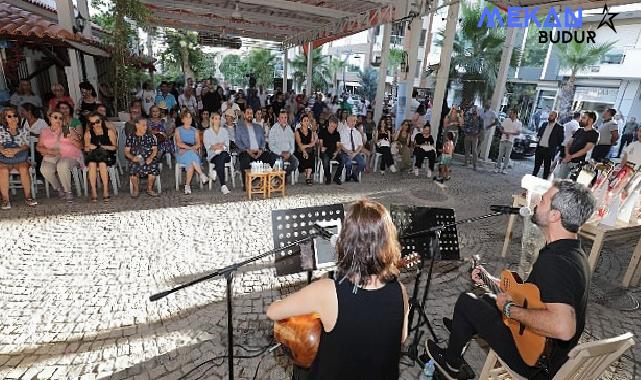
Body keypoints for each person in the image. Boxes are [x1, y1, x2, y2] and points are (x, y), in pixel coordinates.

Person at [427, 180, 596, 380]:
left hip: (535, 363)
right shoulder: (572, 251)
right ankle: (462, 330)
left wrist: (509, 309)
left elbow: (564, 328)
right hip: (549, 352)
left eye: (542, 200)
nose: (536, 202)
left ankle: (451, 365)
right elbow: (535, 296)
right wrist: (491, 281)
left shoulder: (556, 263)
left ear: (554, 215)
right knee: (487, 300)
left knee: (467, 301)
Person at [266, 199, 409, 380]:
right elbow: (401, 338)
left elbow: (273, 312)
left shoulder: (328, 292)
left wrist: (281, 302)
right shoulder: (400, 291)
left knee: (302, 367)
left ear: (346, 241)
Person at [37, 110, 83, 202]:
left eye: (60, 118)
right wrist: (47, 150)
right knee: (45, 169)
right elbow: (38, 146)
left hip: (70, 155)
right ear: (50, 118)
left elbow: (80, 146)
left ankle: (68, 191)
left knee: (62, 165)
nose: (58, 119)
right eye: (55, 117)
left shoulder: (66, 129)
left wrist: (73, 140)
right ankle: (59, 189)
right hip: (52, 156)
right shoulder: (45, 131)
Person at [0, 107, 37, 209]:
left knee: (24, 169)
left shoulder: (23, 130)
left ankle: (28, 197)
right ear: (4, 118)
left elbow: (26, 145)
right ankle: (5, 200)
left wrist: (16, 150)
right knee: (2, 170)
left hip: (20, 157)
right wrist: (3, 150)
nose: (13, 118)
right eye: (9, 116)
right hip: (4, 158)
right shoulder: (1, 130)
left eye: (15, 115)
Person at [236, 107, 274, 190]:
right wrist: (247, 150)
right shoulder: (240, 127)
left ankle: (268, 182)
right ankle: (246, 184)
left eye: (251, 113)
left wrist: (261, 149)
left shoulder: (258, 127)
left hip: (258, 150)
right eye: (248, 113)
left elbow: (263, 141)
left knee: (269, 157)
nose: (250, 115)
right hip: (246, 151)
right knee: (245, 160)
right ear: (244, 115)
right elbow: (238, 142)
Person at [83, 113, 117, 202]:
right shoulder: (88, 133)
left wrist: (104, 147)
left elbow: (114, 147)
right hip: (93, 155)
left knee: (102, 164)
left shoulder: (109, 131)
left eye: (97, 121)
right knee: (92, 164)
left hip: (107, 155)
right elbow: (86, 149)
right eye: (92, 123)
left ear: (101, 120)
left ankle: (106, 189)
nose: (95, 125)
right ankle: (93, 190)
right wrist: (89, 147)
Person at [555, 111, 599, 180]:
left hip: (579, 163)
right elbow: (569, 143)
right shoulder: (579, 130)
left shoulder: (594, 134)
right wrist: (567, 155)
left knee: (571, 184)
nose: (581, 119)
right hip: (567, 159)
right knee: (559, 180)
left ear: (590, 120)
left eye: (584, 118)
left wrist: (570, 157)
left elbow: (586, 149)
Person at [175, 109, 209, 194]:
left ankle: (187, 186)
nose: (189, 119)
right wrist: (190, 148)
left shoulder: (195, 130)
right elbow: (179, 143)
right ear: (182, 119)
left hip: (191, 151)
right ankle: (201, 174)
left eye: (190, 118)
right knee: (192, 156)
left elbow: (198, 144)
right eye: (187, 117)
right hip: (182, 153)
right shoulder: (178, 130)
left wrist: (190, 148)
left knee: (190, 160)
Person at [125, 117, 159, 197]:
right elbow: (126, 151)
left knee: (153, 167)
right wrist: (132, 157)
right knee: (133, 167)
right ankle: (136, 189)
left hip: (148, 158)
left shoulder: (150, 136)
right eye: (143, 125)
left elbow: (155, 150)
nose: (146, 127)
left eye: (146, 125)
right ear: (137, 125)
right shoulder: (131, 137)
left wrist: (150, 157)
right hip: (136, 159)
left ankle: (149, 189)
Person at [203, 112, 231, 194]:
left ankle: (214, 171)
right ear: (211, 120)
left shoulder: (224, 131)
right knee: (219, 158)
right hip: (213, 156)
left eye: (219, 118)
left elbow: (227, 144)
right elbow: (207, 146)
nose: (218, 120)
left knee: (222, 155)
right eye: (216, 118)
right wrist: (218, 145)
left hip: (225, 154)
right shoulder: (207, 132)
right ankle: (223, 186)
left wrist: (217, 146)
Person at [269, 110, 298, 182]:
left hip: (288, 152)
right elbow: (271, 145)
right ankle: (281, 180)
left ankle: (283, 176)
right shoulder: (274, 129)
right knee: (279, 162)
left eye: (285, 117)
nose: (284, 119)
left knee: (295, 162)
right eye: (282, 117)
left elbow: (292, 145)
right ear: (278, 119)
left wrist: (289, 153)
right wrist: (281, 153)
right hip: (277, 153)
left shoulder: (289, 129)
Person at [533, 111, 564, 179]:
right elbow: (539, 133)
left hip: (549, 150)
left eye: (551, 116)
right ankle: (533, 177)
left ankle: (544, 180)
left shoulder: (559, 127)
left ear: (556, 117)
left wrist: (557, 150)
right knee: (537, 165)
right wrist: (538, 137)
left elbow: (560, 140)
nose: (549, 117)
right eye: (549, 115)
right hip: (540, 147)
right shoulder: (544, 124)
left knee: (547, 167)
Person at [338, 115, 366, 182]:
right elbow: (340, 145)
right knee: (348, 163)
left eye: (354, 121)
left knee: (362, 163)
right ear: (347, 122)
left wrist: (355, 153)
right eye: (351, 120)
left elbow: (360, 145)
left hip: (355, 152)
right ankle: (348, 175)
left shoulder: (357, 133)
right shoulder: (342, 132)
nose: (353, 122)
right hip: (345, 152)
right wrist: (347, 151)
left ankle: (354, 174)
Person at [495, 109, 522, 174]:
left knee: (507, 156)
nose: (510, 114)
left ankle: (504, 168)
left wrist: (509, 133)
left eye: (511, 113)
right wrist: (504, 132)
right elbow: (501, 128)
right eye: (510, 113)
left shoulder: (519, 123)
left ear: (515, 114)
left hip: (510, 141)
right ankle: (497, 167)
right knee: (500, 155)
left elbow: (518, 132)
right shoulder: (506, 120)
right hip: (503, 139)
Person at [319, 117, 344, 185]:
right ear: (329, 123)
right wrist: (322, 148)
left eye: (334, 127)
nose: (333, 128)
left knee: (342, 161)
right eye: (332, 126)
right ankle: (328, 177)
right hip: (325, 151)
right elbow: (320, 143)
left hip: (334, 151)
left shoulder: (337, 133)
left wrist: (336, 152)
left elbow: (338, 146)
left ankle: (336, 177)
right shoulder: (322, 131)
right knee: (326, 162)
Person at [295, 114, 317, 185]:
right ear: (301, 122)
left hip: (309, 151)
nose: (306, 122)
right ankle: (308, 174)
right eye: (305, 121)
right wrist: (305, 148)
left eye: (307, 121)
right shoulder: (297, 131)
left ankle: (308, 176)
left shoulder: (310, 132)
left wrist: (307, 147)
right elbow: (300, 145)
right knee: (304, 156)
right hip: (299, 151)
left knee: (311, 155)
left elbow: (312, 143)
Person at [461, 106, 482, 170]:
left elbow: (481, 129)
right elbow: (464, 125)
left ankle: (474, 165)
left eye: (476, 110)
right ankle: (466, 162)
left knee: (474, 151)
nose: (474, 111)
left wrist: (478, 135)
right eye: (473, 110)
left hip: (475, 136)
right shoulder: (468, 117)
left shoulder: (480, 119)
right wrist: (465, 132)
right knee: (467, 149)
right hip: (467, 135)